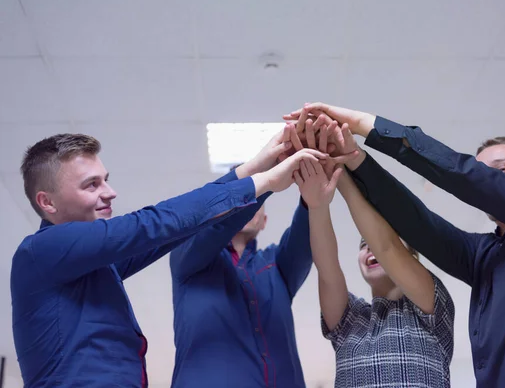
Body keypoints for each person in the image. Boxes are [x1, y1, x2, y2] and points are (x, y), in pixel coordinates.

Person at [284, 104, 505, 387]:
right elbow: (416, 223)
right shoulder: (481, 256)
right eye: (484, 170)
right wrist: (353, 160)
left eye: (501, 171)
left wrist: (364, 123)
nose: (490, 179)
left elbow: (469, 179)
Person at [11, 131, 325, 388]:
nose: (110, 192)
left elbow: (171, 232)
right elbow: (157, 223)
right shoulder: (41, 252)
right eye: (92, 184)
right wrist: (265, 182)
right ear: (47, 202)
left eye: (105, 179)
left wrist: (255, 166)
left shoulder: (95, 265)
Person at [169, 124, 355, 388]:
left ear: (264, 221)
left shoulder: (275, 266)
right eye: (247, 198)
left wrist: (312, 188)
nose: (249, 208)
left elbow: (306, 239)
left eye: (256, 205)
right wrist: (266, 178)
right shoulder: (188, 257)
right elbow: (214, 227)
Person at [295, 145, 454, 388]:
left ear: (410, 254)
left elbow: (387, 248)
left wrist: (342, 175)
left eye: (374, 244)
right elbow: (328, 271)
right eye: (363, 245)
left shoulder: (432, 310)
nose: (370, 248)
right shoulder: (350, 319)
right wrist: (318, 206)